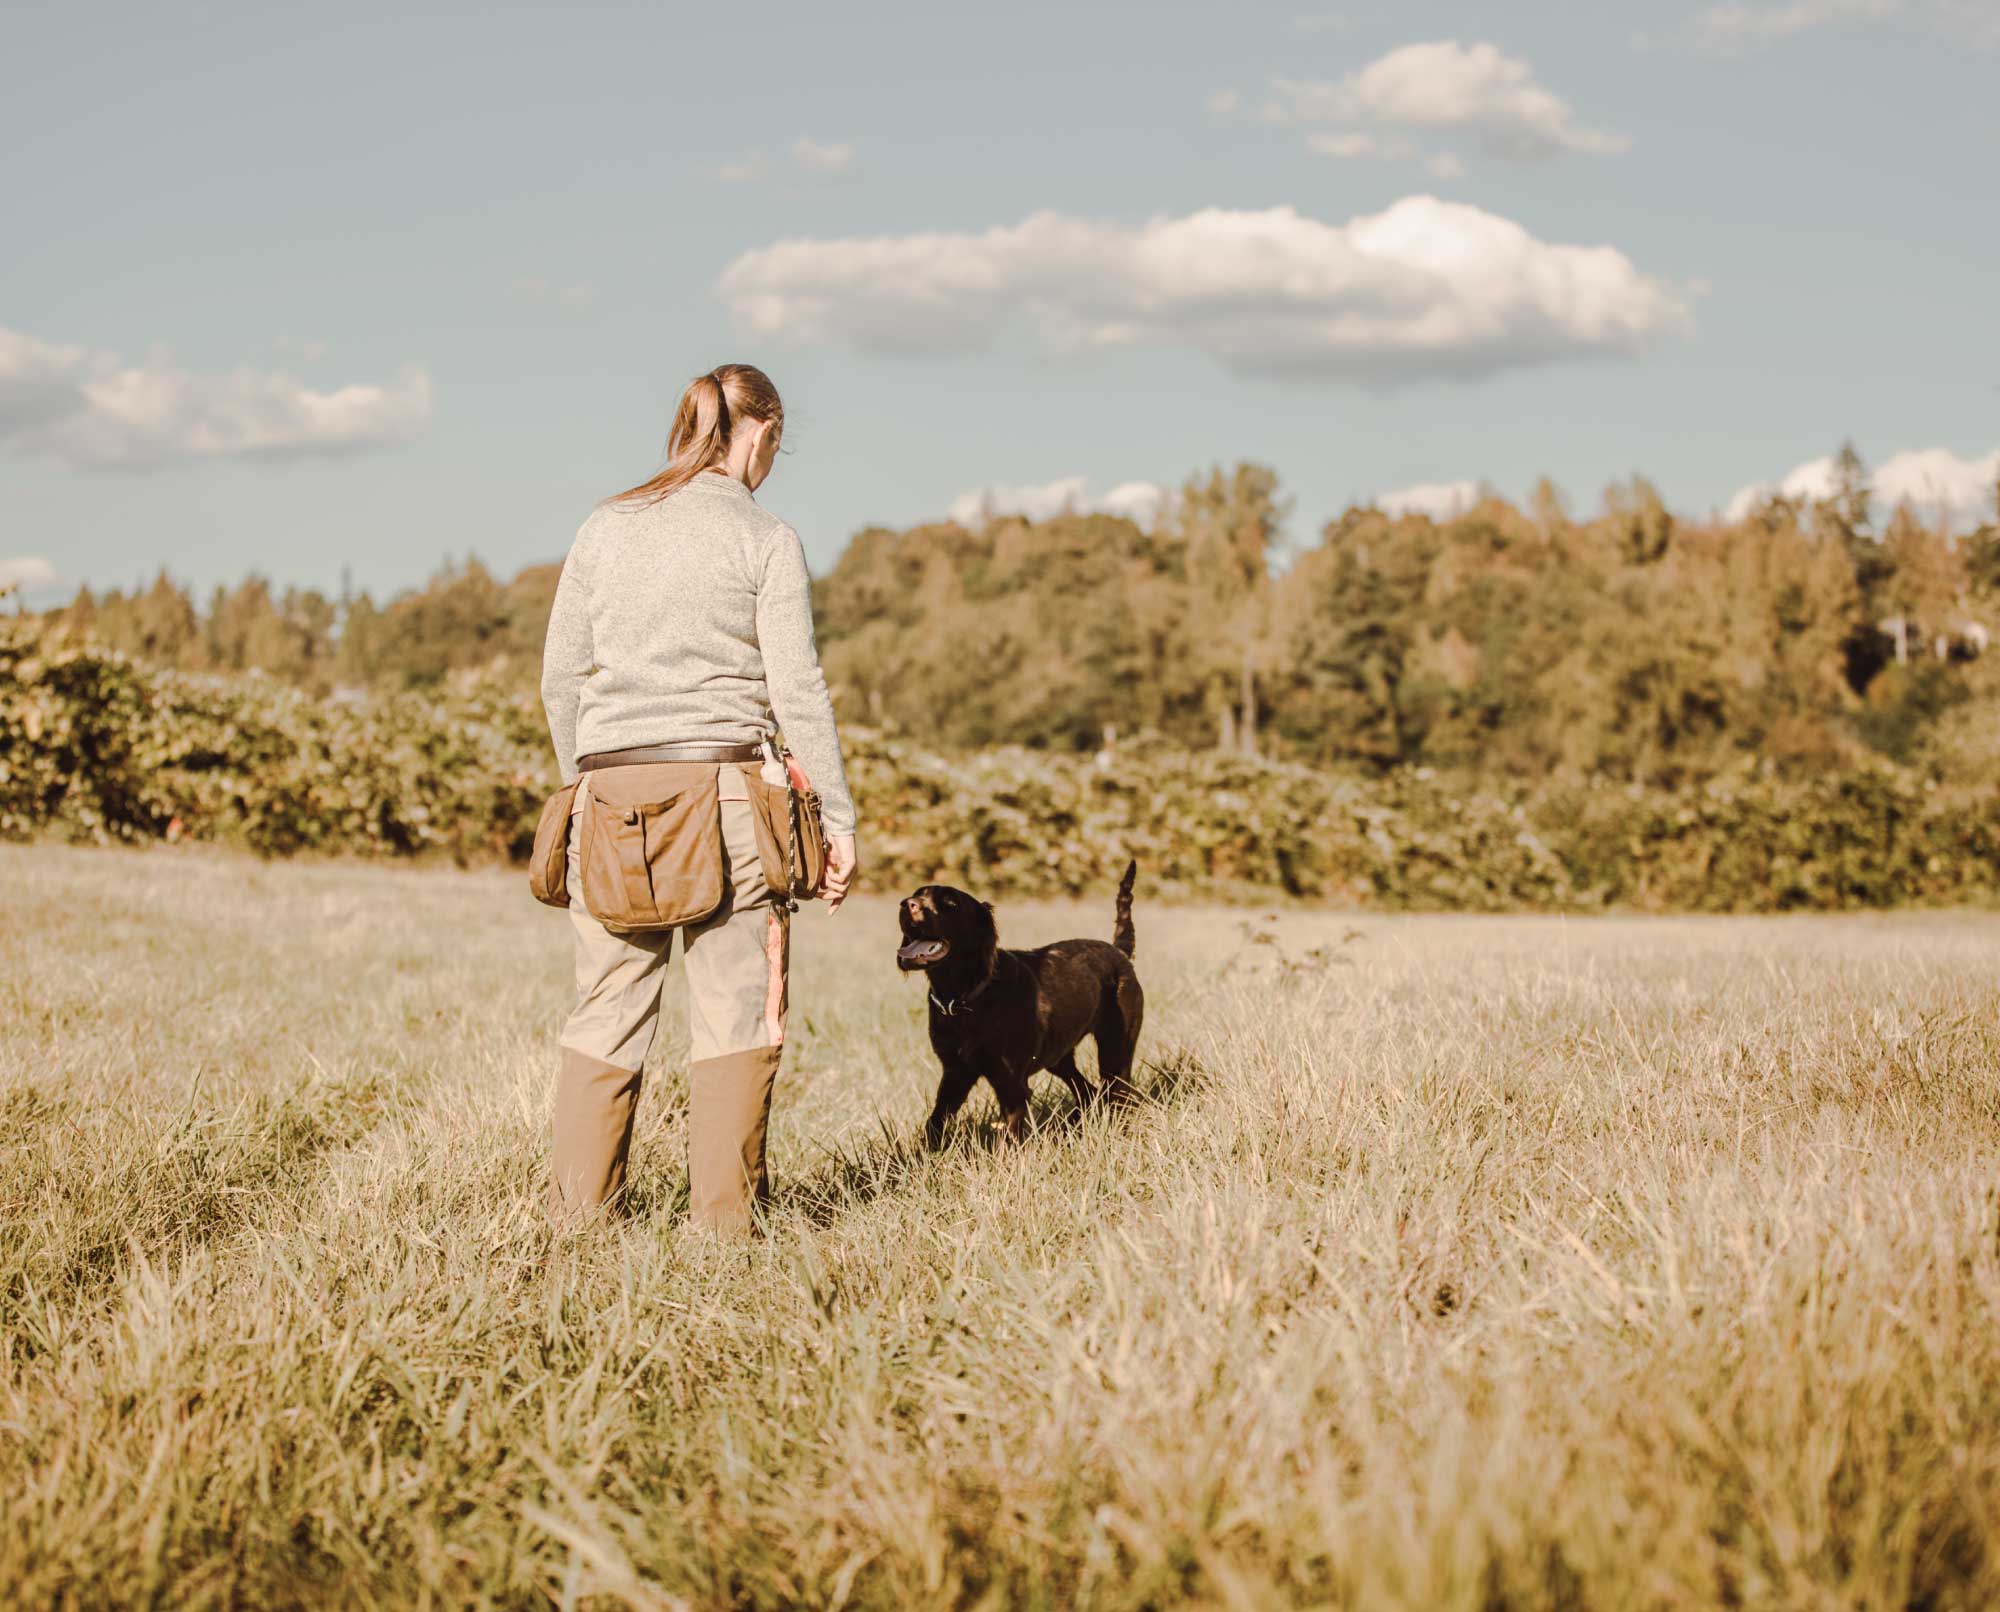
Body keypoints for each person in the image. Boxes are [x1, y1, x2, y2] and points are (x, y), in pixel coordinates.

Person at [539, 363, 857, 1232]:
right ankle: (722, 1237)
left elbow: (560, 677)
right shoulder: (766, 537)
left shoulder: (604, 527)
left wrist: (588, 781)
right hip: (727, 798)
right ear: (761, 435)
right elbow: (798, 690)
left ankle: (577, 1227)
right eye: (773, 451)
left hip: (609, 795)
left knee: (604, 1008)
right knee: (732, 1016)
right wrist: (837, 817)